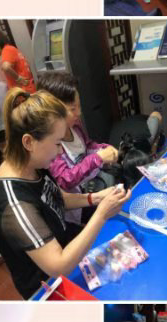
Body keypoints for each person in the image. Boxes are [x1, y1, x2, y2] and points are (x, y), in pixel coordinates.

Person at [0, 88, 131, 299]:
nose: (61, 151)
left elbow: (56, 197)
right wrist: (101, 214)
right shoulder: (15, 205)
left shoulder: (32, 163)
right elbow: (58, 266)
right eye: (57, 143)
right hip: (47, 286)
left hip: (66, 247)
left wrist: (96, 198)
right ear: (29, 142)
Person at [36, 71, 119, 223]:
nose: (79, 113)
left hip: (92, 188)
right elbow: (64, 180)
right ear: (52, 110)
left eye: (79, 106)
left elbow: (87, 145)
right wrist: (97, 158)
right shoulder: (51, 144)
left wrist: (103, 149)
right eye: (73, 109)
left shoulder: (75, 125)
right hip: (77, 207)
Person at [0, 27, 36, 93]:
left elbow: (6, 67)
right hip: (29, 88)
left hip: (23, 92)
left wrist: (19, 79)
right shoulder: (12, 48)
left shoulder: (6, 50)